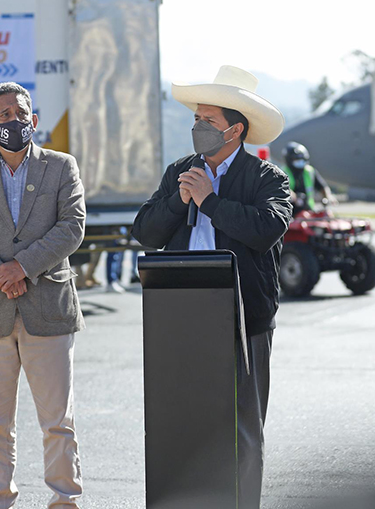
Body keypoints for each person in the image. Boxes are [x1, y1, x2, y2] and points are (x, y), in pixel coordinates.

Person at [132, 65, 292, 508]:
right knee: (186, 422)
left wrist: (211, 201)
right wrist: (179, 199)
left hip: (245, 319)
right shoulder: (179, 173)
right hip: (181, 315)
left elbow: (266, 229)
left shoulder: (266, 178)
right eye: (196, 120)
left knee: (244, 428)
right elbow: (145, 231)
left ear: (235, 130)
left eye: (208, 122)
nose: (197, 128)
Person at [0, 82, 85, 509]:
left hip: (48, 309)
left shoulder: (61, 167)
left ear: (34, 120)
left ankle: (65, 499)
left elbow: (72, 226)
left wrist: (22, 266)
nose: (14, 121)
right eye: (4, 116)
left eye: (20, 113)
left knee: (57, 420)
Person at [280, 141, 335, 213]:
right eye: (296, 160)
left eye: (302, 159)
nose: (300, 162)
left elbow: (322, 187)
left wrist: (328, 197)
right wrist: (295, 197)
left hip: (309, 210)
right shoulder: (282, 173)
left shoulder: (310, 171)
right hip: (290, 212)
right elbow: (284, 189)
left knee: (327, 214)